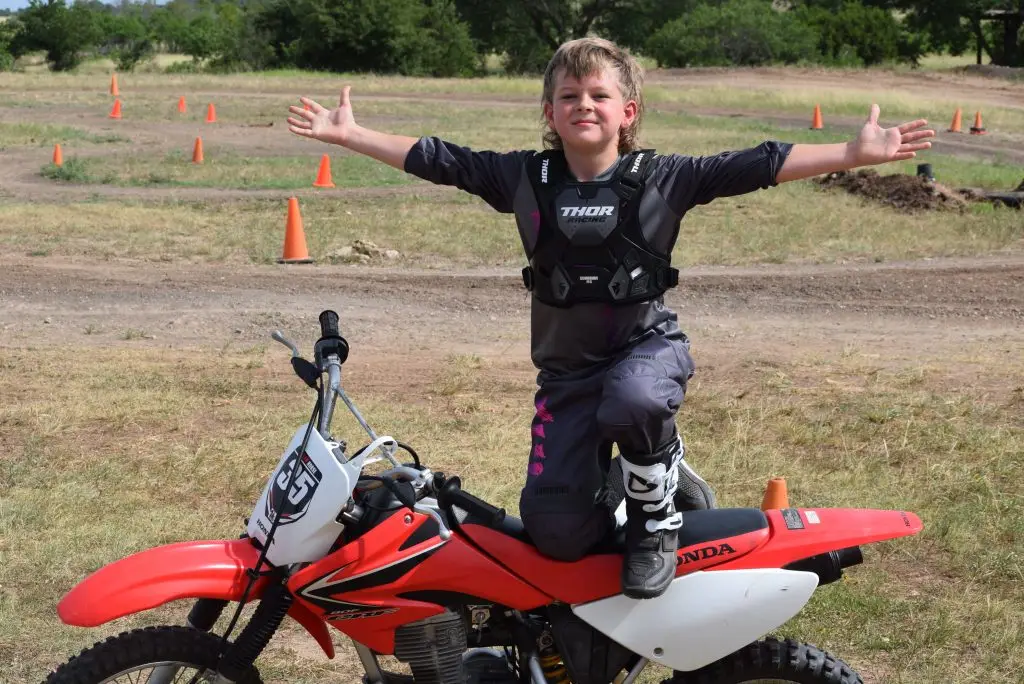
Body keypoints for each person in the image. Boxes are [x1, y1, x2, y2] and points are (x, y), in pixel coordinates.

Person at [287, 37, 934, 600]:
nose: (583, 105)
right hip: (566, 377)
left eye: (599, 95)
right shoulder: (523, 176)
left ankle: (659, 508)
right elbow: (440, 159)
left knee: (634, 400)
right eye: (568, 96)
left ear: (628, 113)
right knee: (556, 536)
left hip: (646, 352)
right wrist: (351, 135)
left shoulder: (665, 178)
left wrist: (851, 153)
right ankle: (619, 500)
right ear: (549, 113)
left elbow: (754, 164)